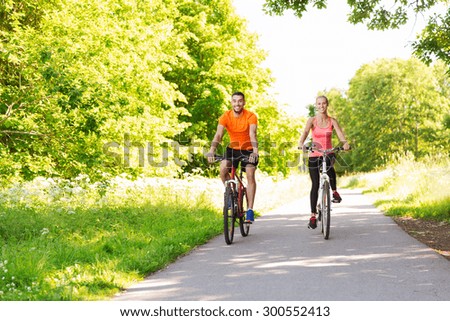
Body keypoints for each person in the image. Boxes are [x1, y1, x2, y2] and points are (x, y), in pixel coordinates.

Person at [298, 95, 350, 229]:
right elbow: (304, 133)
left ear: (327, 105)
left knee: (329, 163)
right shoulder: (312, 120)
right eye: (319, 104)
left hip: (328, 152)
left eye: (324, 103)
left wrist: (345, 144)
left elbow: (340, 134)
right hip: (315, 154)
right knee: (315, 184)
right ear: (316, 105)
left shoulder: (332, 121)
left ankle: (334, 191)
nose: (321, 106)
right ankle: (313, 215)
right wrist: (301, 143)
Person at [207, 92, 259, 222]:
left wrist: (255, 151)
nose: (237, 103)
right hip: (232, 149)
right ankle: (230, 194)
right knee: (223, 169)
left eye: (240, 101)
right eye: (234, 101)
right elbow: (218, 135)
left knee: (250, 174)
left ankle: (250, 210)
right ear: (231, 103)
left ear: (244, 102)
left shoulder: (251, 116)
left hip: (248, 149)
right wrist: (211, 150)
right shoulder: (225, 116)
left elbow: (253, 134)